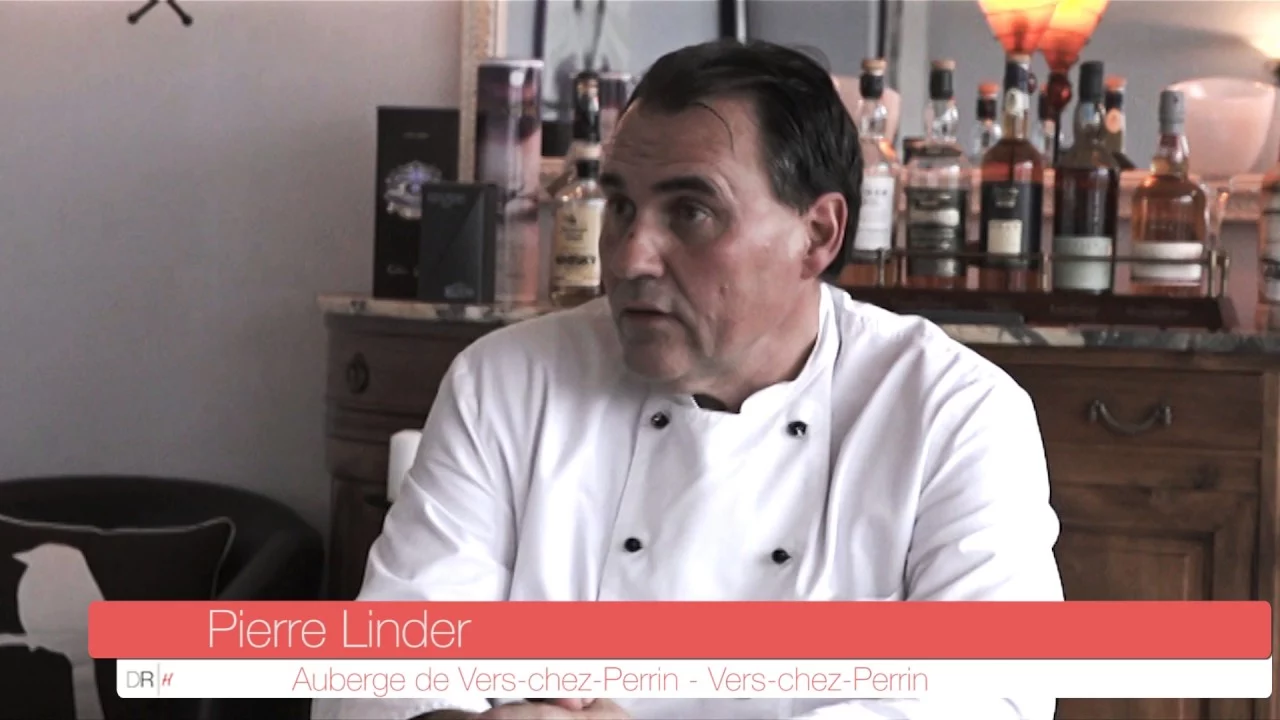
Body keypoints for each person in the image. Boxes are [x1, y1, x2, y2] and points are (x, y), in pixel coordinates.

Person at [313, 39, 1063, 720]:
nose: (629, 257)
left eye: (692, 212)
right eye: (621, 206)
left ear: (819, 234)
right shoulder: (507, 382)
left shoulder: (954, 413)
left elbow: (990, 695)